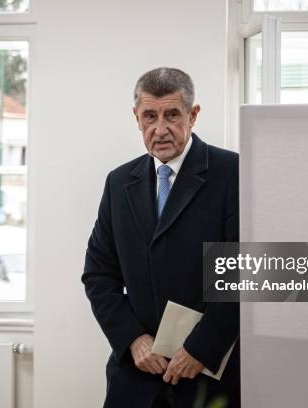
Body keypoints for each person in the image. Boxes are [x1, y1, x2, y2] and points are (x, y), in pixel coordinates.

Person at [82, 67, 240, 408]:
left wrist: (200, 349)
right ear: (137, 118)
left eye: (172, 115)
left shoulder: (232, 173)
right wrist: (133, 339)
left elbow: (241, 276)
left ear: (193, 115)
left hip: (207, 374)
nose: (160, 129)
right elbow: (99, 275)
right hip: (137, 375)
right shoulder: (119, 183)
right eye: (149, 116)